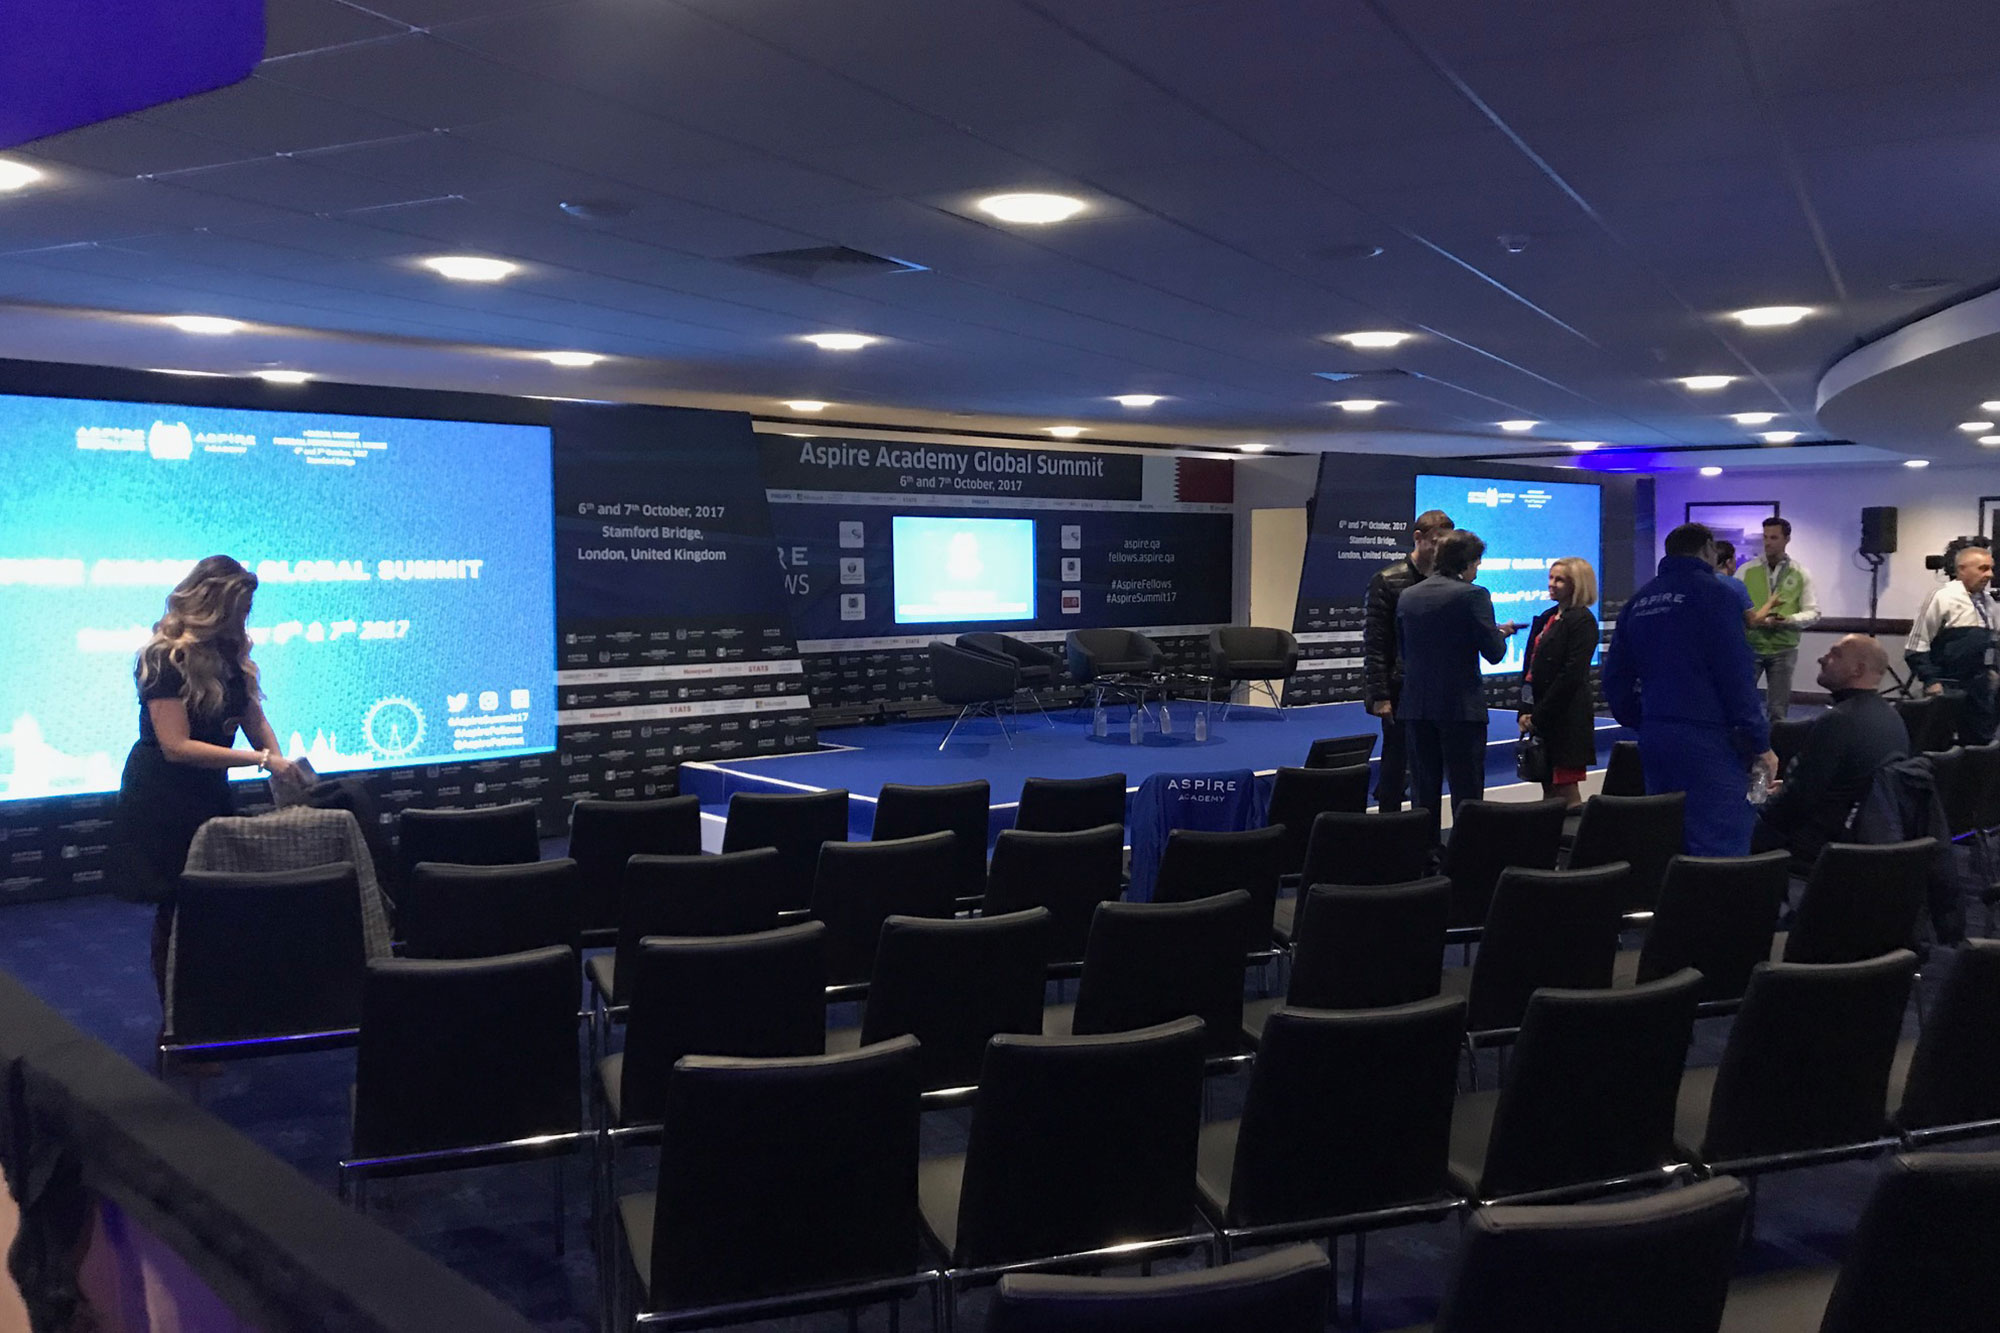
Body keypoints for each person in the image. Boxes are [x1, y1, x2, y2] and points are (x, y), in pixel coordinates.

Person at [109, 555, 297, 997]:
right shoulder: (164, 657)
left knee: (212, 903)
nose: (244, 619)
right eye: (239, 609)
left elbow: (254, 719)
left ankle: (210, 1006)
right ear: (213, 606)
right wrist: (261, 760)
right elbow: (176, 747)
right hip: (163, 797)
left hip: (208, 790)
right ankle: (175, 1020)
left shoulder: (230, 654)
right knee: (177, 908)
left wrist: (281, 765)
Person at [1602, 523, 1776, 857]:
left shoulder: (1640, 601)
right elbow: (1736, 675)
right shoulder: (1717, 596)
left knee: (1664, 836)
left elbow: (1615, 679)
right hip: (1710, 737)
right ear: (1708, 549)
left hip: (1656, 735)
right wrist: (1760, 742)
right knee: (1718, 845)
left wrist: (1645, 720)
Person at [1396, 529, 1521, 837]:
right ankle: (1467, 855)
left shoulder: (1408, 595)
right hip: (1460, 708)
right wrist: (1500, 633)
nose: (1478, 568)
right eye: (1477, 562)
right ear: (1466, 562)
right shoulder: (1473, 595)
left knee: (1423, 792)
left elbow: (1403, 649)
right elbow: (1494, 653)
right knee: (1467, 792)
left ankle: (1424, 854)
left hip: (1416, 706)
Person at [1752, 635, 1909, 862]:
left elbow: (1794, 805)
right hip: (1864, 839)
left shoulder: (1839, 720)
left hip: (1822, 846)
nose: (1822, 659)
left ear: (1857, 669)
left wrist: (1757, 811)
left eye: (1835, 654)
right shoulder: (1891, 716)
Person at [1363, 508, 1454, 811]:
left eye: (1445, 544)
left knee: (1430, 764)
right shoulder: (1387, 580)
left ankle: (1423, 824)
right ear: (1418, 538)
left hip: (1436, 686)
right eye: (1436, 542)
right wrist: (1380, 695)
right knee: (1396, 760)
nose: (1440, 550)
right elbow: (1376, 642)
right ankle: (1389, 824)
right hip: (1399, 686)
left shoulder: (1446, 581)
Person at [1519, 557, 1600, 808]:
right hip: (1541, 715)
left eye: (1560, 580)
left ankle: (1572, 832)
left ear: (1577, 584)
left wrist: (1539, 715)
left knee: (1565, 788)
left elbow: (1571, 675)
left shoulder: (1583, 621)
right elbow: (1530, 668)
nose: (1551, 584)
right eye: (1551, 578)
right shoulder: (1547, 617)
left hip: (1566, 718)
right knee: (1548, 785)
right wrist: (1525, 710)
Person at [1905, 543, 1999, 745]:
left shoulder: (1988, 602)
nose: (1990, 574)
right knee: (1940, 744)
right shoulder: (1942, 597)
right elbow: (1916, 645)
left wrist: (1993, 670)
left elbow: (1991, 642)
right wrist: (1931, 680)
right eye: (1983, 568)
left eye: (1991, 568)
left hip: (1980, 687)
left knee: (1979, 744)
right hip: (1947, 685)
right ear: (1962, 569)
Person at [1738, 516, 1821, 725]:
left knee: (1778, 710)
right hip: (1751, 645)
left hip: (1784, 647)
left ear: (1787, 539)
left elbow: (1813, 612)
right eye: (1765, 537)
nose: (1767, 543)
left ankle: (1776, 743)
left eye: (1774, 538)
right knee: (1741, 703)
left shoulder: (1800, 573)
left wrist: (1789, 620)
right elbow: (1734, 605)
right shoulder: (1746, 570)